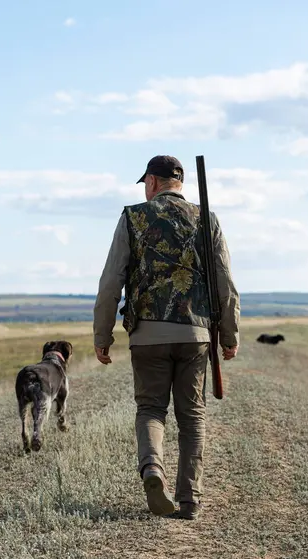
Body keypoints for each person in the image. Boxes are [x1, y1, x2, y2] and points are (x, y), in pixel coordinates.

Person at [93, 155, 240, 520]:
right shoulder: (207, 219)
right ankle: (190, 499)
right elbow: (224, 281)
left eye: (145, 182)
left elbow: (111, 281)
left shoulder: (133, 217)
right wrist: (229, 334)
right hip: (195, 333)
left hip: (147, 334)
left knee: (150, 409)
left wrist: (103, 334)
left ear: (154, 182)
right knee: (192, 417)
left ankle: (153, 470)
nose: (145, 188)